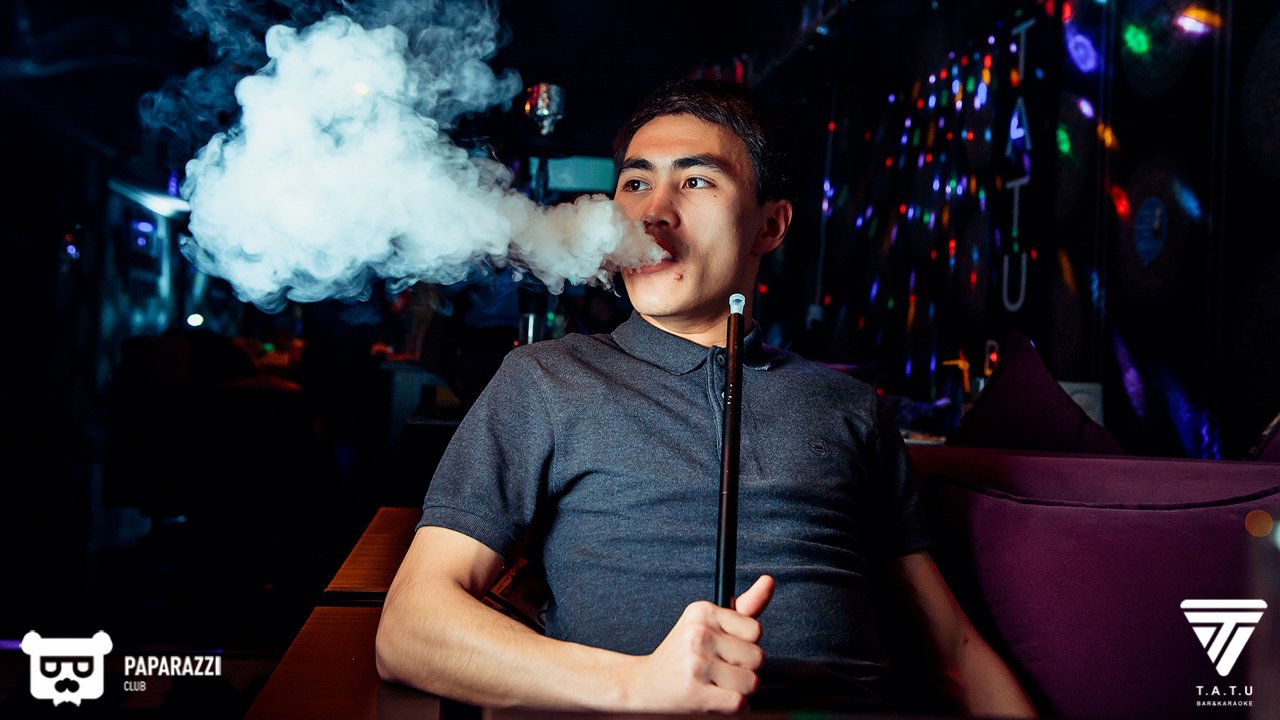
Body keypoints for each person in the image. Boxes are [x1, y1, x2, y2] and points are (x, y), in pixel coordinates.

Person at [376, 78, 1038, 717]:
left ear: (769, 226)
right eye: (636, 183)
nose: (654, 212)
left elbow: (952, 653)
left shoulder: (849, 407)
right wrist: (638, 684)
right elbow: (410, 628)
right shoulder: (546, 380)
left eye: (696, 181)